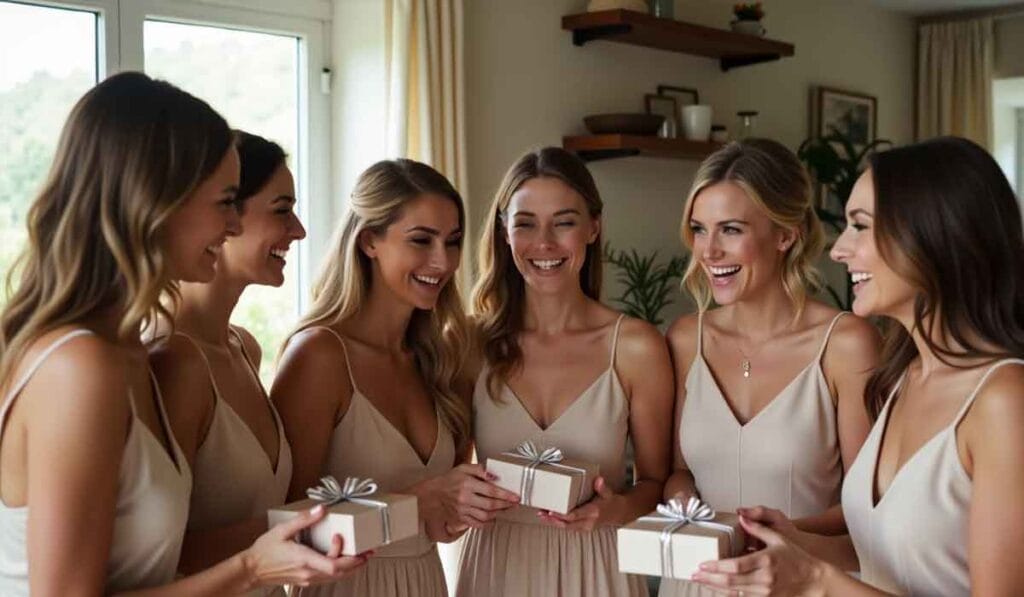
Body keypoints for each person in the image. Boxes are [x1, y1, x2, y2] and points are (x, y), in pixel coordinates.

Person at [0, 72, 364, 596]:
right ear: (158, 197)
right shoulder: (78, 367)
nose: (234, 226)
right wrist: (251, 569)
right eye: (225, 202)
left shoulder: (125, 351)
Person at [693, 136, 1024, 596]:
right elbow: (887, 550)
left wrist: (814, 581)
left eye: (860, 226)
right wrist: (795, 540)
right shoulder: (905, 376)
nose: (837, 250)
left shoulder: (1004, 399)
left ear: (931, 234)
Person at [273, 158, 518, 597]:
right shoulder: (320, 356)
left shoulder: (442, 360)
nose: (442, 261)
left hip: (425, 583)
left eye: (453, 241)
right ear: (369, 241)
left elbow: (441, 528)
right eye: (421, 240)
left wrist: (469, 504)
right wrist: (415, 501)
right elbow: (286, 528)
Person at [660, 137, 879, 595]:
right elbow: (679, 470)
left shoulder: (846, 344)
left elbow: (867, 507)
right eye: (699, 229)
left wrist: (776, 538)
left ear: (785, 234)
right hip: (697, 583)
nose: (709, 251)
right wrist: (682, 504)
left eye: (731, 230)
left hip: (799, 581)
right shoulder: (686, 338)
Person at [456, 146, 674, 597]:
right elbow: (452, 473)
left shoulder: (635, 347)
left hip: (598, 567)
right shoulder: (470, 344)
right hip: (496, 567)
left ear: (593, 227)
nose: (545, 243)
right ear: (504, 232)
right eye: (526, 223)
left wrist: (613, 511)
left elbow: (656, 482)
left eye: (564, 221)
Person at [148, 131, 306, 594]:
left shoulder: (244, 347)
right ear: (227, 215)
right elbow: (164, 553)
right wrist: (303, 528)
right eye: (282, 210)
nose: (298, 230)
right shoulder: (172, 359)